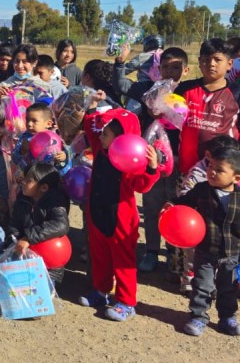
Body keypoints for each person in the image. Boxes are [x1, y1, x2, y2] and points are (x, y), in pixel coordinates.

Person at [111, 45, 191, 274]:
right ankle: (152, 251)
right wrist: (119, 63)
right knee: (153, 204)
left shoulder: (189, 91)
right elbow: (122, 85)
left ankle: (175, 254)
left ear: (186, 70)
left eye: (176, 67)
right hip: (152, 158)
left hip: (179, 159)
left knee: (175, 206)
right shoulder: (149, 88)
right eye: (164, 67)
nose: (169, 72)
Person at [79, 104, 159, 322]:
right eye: (103, 132)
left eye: (107, 134)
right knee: (100, 256)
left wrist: (152, 168)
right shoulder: (99, 149)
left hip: (121, 219)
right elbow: (89, 125)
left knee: (123, 262)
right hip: (97, 212)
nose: (101, 136)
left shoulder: (128, 162)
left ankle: (126, 301)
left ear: (122, 138)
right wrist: (96, 108)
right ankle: (101, 291)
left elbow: (142, 185)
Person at [175, 146, 240, 336]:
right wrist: (172, 205)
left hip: (232, 253)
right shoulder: (202, 189)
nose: (212, 172)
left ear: (236, 178)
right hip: (205, 248)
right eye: (211, 166)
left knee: (228, 288)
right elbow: (184, 202)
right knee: (202, 285)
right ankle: (198, 317)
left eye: (219, 169)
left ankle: (227, 319)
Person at [176, 135, 240, 293]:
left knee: (220, 257)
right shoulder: (198, 173)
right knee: (193, 255)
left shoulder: (233, 177)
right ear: (208, 156)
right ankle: (190, 281)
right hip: (198, 223)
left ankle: (214, 282)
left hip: (221, 228)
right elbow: (186, 193)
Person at [176, 39, 240, 179]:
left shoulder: (238, 92)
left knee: (217, 201)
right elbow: (169, 119)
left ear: (229, 64)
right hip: (186, 168)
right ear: (198, 61)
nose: (211, 64)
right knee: (186, 200)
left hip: (223, 171)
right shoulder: (184, 89)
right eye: (206, 59)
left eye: (217, 59)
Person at [9, 163, 71, 283]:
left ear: (43, 188)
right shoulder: (22, 199)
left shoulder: (56, 201)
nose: (23, 182)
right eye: (24, 178)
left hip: (49, 263)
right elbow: (14, 225)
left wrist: (28, 238)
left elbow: (61, 224)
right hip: (23, 256)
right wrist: (12, 244)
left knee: (37, 293)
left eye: (29, 180)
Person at [11, 102, 71, 175]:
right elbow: (15, 159)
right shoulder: (24, 138)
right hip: (30, 177)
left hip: (49, 176)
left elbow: (66, 158)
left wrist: (63, 157)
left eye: (34, 121)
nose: (29, 124)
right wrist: (22, 151)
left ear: (48, 123)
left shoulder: (54, 138)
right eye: (27, 119)